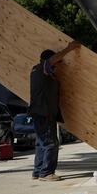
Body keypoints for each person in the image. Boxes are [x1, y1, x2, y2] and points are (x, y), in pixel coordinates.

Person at [29, 41, 81, 181]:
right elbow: (52, 60)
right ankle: (46, 173)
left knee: (41, 143)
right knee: (51, 142)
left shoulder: (37, 71)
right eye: (57, 64)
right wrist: (69, 48)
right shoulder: (42, 68)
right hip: (43, 112)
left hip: (39, 112)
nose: (58, 67)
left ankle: (38, 171)